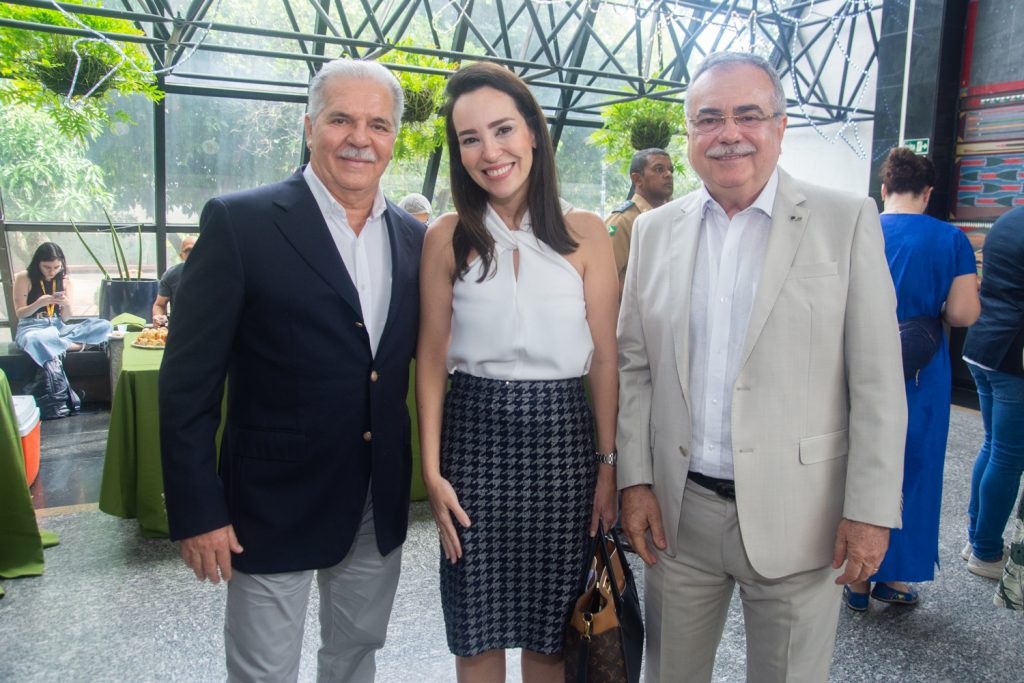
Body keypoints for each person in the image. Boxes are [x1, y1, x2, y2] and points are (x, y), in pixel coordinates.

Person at [616, 51, 907, 682]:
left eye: (748, 114)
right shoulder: (654, 232)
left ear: (779, 125)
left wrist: (871, 509)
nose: (729, 133)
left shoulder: (845, 219)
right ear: (689, 134)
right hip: (679, 517)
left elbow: (878, 381)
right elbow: (635, 368)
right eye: (709, 118)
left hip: (807, 519)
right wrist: (634, 481)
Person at [158, 58, 425, 682]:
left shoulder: (415, 239)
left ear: (393, 138)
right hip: (270, 502)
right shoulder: (241, 222)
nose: (360, 138)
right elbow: (187, 383)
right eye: (341, 119)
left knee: (357, 653)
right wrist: (199, 510)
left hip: (374, 496)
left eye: (378, 124)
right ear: (309, 128)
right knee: (263, 670)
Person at [416, 61, 618, 682]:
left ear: (532, 131)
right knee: (474, 631)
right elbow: (429, 354)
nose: (490, 151)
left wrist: (609, 466)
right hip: (472, 442)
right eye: (470, 138)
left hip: (564, 446)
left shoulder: (586, 232)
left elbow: (607, 356)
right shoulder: (446, 235)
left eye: (503, 130)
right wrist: (431, 469)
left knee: (550, 632)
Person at [841, 148, 979, 609]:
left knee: (856, 458)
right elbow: (962, 312)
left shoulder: (858, 228)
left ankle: (854, 579)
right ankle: (895, 579)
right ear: (928, 192)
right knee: (914, 466)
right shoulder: (950, 238)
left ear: (884, 189)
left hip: (857, 358)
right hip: (920, 367)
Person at [962, 205, 1024, 580]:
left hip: (982, 342)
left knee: (993, 446)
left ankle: (976, 538)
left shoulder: (1007, 219)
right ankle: (985, 552)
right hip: (1011, 353)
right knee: (1008, 456)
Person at [13, 243, 112, 418]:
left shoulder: (66, 280)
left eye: (56, 267)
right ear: (37, 263)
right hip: (32, 327)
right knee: (37, 340)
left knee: (104, 326)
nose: (52, 271)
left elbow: (66, 318)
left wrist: (66, 304)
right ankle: (71, 345)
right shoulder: (24, 277)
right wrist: (40, 303)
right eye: (47, 267)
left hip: (58, 327)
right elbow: (20, 313)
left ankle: (61, 344)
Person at [605, 148, 674, 295]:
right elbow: (603, 277)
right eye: (659, 169)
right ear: (637, 179)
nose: (668, 174)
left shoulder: (673, 216)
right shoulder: (622, 221)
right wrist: (641, 300)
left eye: (670, 170)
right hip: (633, 313)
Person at [151, 235, 196, 326]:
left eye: (197, 249)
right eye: (188, 251)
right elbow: (159, 304)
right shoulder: (171, 275)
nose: (193, 253)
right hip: (178, 330)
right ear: (181, 256)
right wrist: (159, 317)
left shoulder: (217, 275)